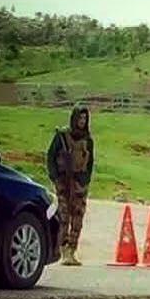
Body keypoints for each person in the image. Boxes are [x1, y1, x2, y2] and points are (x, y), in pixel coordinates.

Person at [46, 105, 94, 266]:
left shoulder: (87, 140)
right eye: (80, 118)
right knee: (64, 216)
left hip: (79, 183)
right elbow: (51, 157)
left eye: (85, 119)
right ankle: (62, 248)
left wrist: (84, 180)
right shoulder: (62, 137)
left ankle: (72, 249)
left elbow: (90, 163)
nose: (82, 122)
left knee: (78, 217)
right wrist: (56, 177)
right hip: (63, 182)